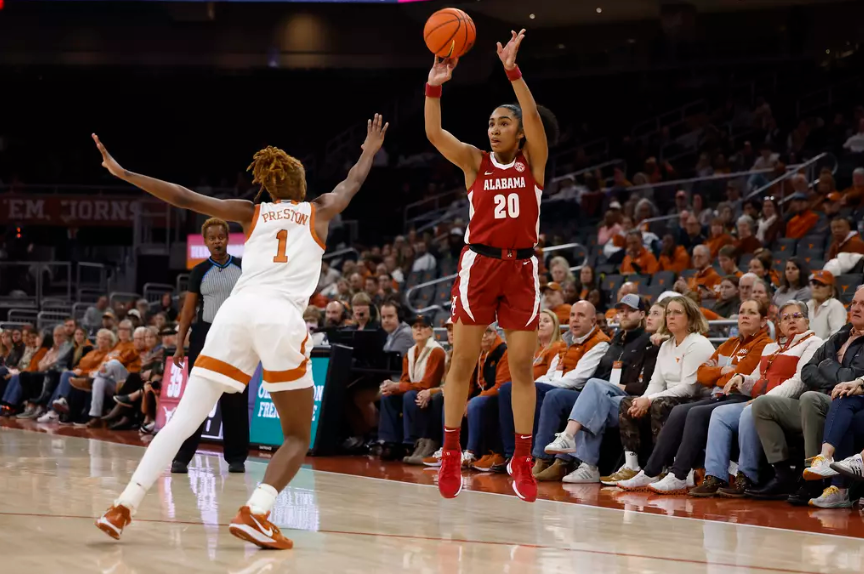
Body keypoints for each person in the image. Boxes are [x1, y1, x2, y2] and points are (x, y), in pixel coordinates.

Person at [92, 111, 389, 549]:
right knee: (295, 437)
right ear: (302, 185)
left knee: (181, 422)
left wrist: (125, 173)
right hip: (280, 316)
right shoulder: (320, 209)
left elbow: (183, 196)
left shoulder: (252, 213)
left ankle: (122, 505)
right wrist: (367, 150)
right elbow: (354, 181)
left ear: (268, 187)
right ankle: (257, 511)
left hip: (235, 313)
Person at [424, 29, 560, 502]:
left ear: (520, 130)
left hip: (521, 269)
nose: (495, 128)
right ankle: (449, 451)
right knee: (462, 359)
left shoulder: (534, 163)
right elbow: (434, 133)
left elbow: (533, 121)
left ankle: (522, 458)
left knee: (522, 367)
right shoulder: (474, 163)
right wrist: (434, 86)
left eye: (504, 122)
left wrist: (512, 72)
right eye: (491, 122)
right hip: (478, 265)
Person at [619, 299, 772, 494]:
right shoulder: (729, 344)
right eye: (742, 311)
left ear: (763, 320)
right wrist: (721, 372)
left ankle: (679, 474)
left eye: (751, 312)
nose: (744, 316)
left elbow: (737, 374)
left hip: (740, 397)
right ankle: (650, 471)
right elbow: (702, 373)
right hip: (719, 396)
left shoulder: (763, 344)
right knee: (679, 411)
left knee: (693, 412)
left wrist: (719, 373)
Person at [691, 300, 822, 498]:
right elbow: (755, 377)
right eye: (785, 318)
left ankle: (747, 476)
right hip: (761, 401)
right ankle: (715, 476)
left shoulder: (814, 343)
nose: (791, 321)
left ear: (807, 321)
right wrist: (741, 379)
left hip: (788, 403)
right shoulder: (771, 348)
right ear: (779, 325)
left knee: (748, 412)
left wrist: (764, 399)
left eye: (797, 316)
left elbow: (799, 382)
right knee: (719, 414)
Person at [747, 287, 864, 502]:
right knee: (763, 404)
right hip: (820, 401)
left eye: (862, 305)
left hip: (844, 402)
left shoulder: (818, 342)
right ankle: (782, 475)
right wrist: (833, 372)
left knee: (810, 398)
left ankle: (813, 478)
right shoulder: (839, 335)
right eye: (854, 303)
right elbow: (808, 371)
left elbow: (852, 376)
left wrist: (827, 366)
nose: (856, 308)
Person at [540, 295, 654, 483]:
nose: (624, 314)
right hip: (606, 393)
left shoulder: (648, 341)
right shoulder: (616, 340)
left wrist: (620, 386)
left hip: (630, 395)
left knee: (593, 388)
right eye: (621, 310)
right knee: (591, 396)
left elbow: (648, 383)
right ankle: (586, 466)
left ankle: (569, 443)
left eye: (630, 310)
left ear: (642, 314)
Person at [171, 217, 247, 474]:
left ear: (228, 239)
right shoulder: (199, 271)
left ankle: (236, 458)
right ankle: (182, 456)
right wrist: (180, 345)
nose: (217, 241)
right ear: (205, 242)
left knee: (235, 397)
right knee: (198, 396)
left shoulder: (243, 268)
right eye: (212, 238)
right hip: (204, 336)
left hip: (236, 337)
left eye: (221, 237)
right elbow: (188, 310)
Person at [616, 296, 715, 491]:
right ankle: (632, 465)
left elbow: (689, 387)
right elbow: (656, 382)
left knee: (661, 404)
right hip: (670, 396)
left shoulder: (698, 343)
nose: (671, 316)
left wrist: (651, 399)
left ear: (690, 317)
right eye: (669, 312)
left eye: (677, 312)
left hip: (696, 400)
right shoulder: (667, 345)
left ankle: (667, 469)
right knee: (628, 402)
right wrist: (643, 399)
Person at [378, 314, 446, 460]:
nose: (419, 330)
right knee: (388, 396)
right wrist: (393, 388)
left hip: (432, 394)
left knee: (409, 396)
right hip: (417, 392)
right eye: (415, 327)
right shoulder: (410, 353)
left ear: (430, 331)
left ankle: (410, 443)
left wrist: (398, 385)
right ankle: (390, 442)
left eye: (423, 327)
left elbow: (428, 384)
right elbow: (405, 380)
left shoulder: (436, 351)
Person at [807, 270, 847, 340]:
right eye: (814, 283)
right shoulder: (808, 305)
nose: (816, 286)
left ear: (831, 291)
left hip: (825, 349)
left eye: (822, 284)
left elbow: (837, 336)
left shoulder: (835, 305)